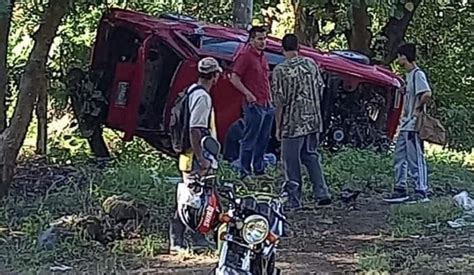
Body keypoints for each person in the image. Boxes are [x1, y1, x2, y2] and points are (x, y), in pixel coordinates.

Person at [271, 33, 331, 209]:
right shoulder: (311, 64)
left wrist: (278, 126)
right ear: (298, 47)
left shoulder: (280, 71)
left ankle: (294, 198)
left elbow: (279, 102)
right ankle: (322, 192)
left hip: (293, 123)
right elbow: (321, 88)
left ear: (282, 49)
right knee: (310, 155)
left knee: (291, 160)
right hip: (313, 120)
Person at [169, 57, 222, 253]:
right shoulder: (202, 97)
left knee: (191, 197)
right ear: (215, 75)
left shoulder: (191, 90)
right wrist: (202, 158)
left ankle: (181, 239)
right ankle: (192, 240)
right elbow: (195, 129)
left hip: (188, 156)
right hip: (195, 158)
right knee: (195, 199)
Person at [383, 43, 432, 204]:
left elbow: (426, 93)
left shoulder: (418, 74)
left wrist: (417, 111)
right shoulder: (409, 76)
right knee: (399, 157)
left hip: (413, 124)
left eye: (399, 56)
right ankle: (400, 188)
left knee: (415, 158)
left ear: (405, 56)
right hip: (404, 125)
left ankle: (421, 189)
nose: (398, 60)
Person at [230, 25, 274, 181]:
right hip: (253, 104)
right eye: (260, 39)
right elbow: (234, 77)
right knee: (250, 138)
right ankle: (245, 171)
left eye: (264, 38)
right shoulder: (245, 56)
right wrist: (247, 93)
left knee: (264, 138)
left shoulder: (262, 56)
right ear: (252, 39)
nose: (263, 42)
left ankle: (259, 169)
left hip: (267, 103)